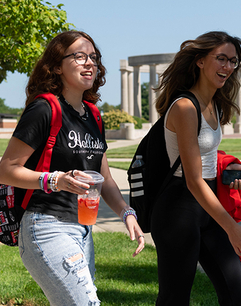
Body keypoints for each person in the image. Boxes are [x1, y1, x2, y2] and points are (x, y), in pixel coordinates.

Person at [0, 30, 144, 306]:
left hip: (83, 228)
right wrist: (56, 180)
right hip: (46, 225)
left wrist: (127, 213)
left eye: (94, 57)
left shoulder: (94, 115)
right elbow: (7, 169)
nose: (89, 62)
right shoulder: (44, 109)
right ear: (56, 66)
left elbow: (105, 180)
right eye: (79, 56)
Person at [151, 31, 241, 305]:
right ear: (200, 61)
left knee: (237, 293)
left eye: (233, 61)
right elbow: (193, 180)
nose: (228, 67)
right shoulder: (185, 107)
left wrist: (232, 170)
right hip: (177, 209)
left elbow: (207, 159)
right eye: (221, 58)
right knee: (175, 298)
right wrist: (232, 228)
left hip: (206, 204)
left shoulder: (215, 105)